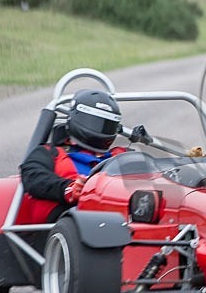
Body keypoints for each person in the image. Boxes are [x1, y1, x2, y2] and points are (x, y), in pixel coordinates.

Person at [18, 89, 127, 224]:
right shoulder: (49, 153)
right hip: (70, 219)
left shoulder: (123, 155)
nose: (100, 130)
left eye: (107, 126)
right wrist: (68, 188)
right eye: (94, 123)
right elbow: (32, 176)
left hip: (124, 215)